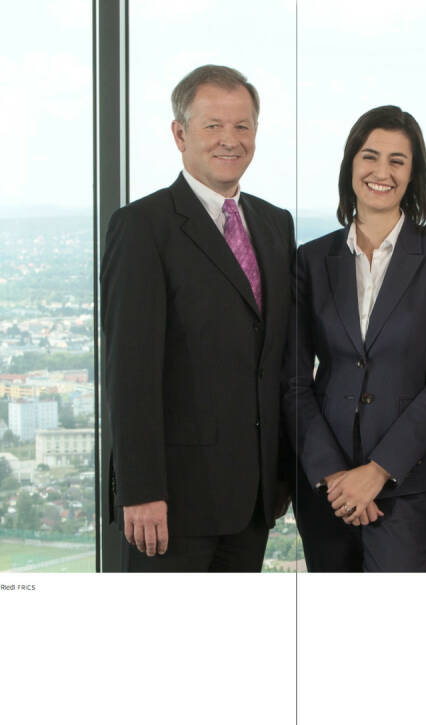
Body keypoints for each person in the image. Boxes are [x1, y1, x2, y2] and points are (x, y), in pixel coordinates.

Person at [100, 65, 295, 572]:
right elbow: (129, 372)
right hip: (171, 503)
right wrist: (141, 490)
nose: (230, 139)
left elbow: (277, 362)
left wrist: (280, 474)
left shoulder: (275, 225)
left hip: (254, 498)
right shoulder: (143, 226)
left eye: (242, 126)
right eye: (213, 126)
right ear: (180, 134)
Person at [287, 105, 426, 572]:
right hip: (325, 487)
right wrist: (333, 475)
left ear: (413, 175)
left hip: (409, 486)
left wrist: (378, 471)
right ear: (351, 164)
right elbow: (294, 380)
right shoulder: (311, 259)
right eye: (370, 156)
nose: (381, 172)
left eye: (397, 161)